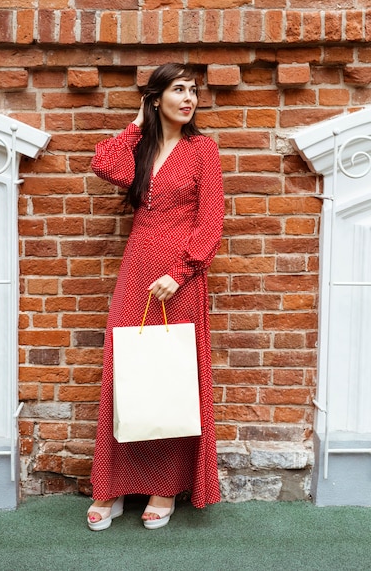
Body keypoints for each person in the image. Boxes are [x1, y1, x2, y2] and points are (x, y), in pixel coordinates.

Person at [87, 62, 225, 531]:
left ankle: (164, 488)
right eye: (178, 90)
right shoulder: (141, 150)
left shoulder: (202, 149)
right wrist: (136, 124)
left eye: (193, 91)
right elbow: (103, 162)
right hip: (137, 268)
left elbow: (211, 222)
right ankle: (112, 486)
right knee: (126, 372)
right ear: (157, 98)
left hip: (179, 278)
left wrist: (181, 271)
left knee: (172, 377)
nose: (188, 98)